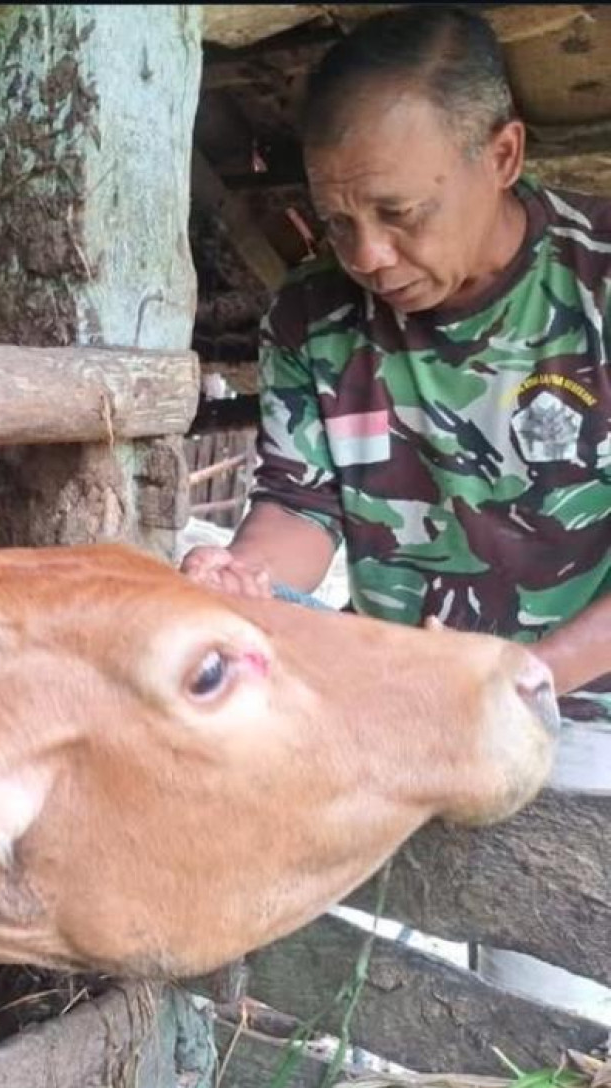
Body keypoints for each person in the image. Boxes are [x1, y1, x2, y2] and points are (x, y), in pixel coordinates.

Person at [181, 6, 610, 1011]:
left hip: (586, 729)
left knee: (547, 1021)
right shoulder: (311, 316)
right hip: (398, 715)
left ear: (501, 156)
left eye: (398, 212)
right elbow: (300, 504)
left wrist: (526, 679)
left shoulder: (596, 288)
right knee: (392, 1005)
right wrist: (243, 581)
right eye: (338, 222)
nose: (367, 254)